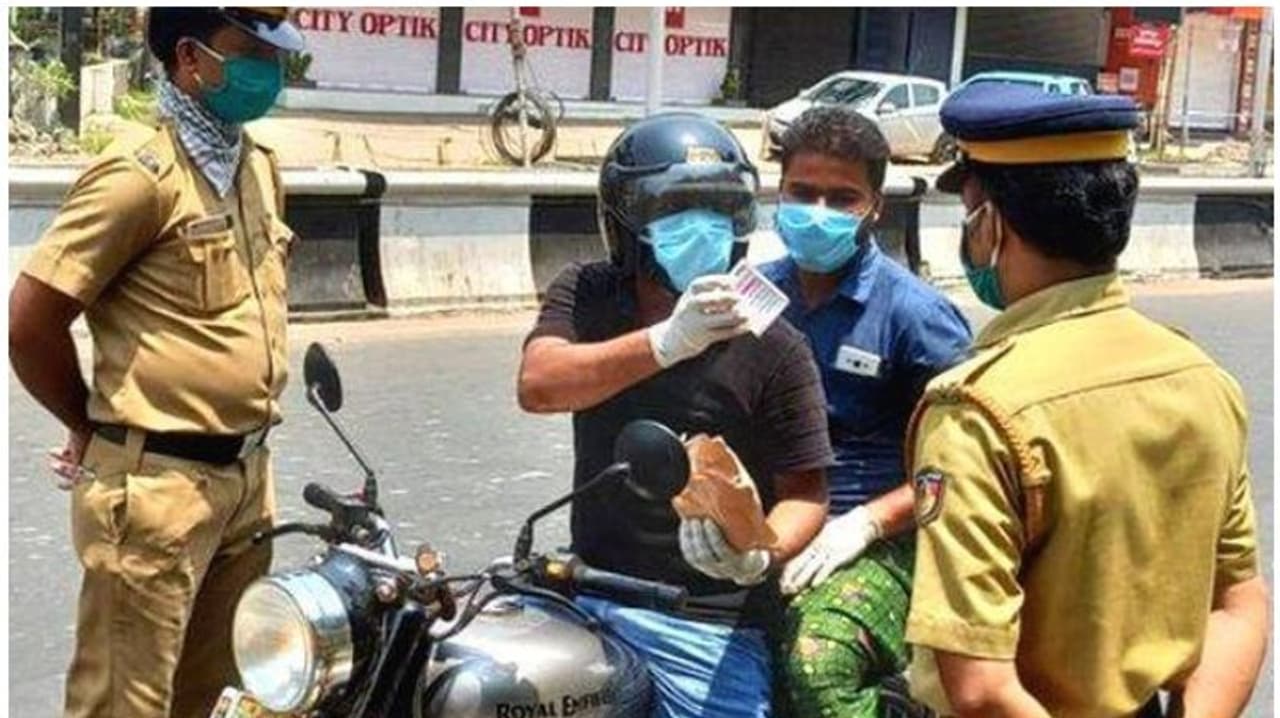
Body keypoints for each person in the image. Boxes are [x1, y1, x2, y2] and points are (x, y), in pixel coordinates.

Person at [903, 82, 1269, 717]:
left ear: (988, 223)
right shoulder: (1201, 379)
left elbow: (983, 691)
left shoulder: (978, 411)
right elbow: (1238, 605)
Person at [8, 8, 303, 718]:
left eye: (276, 52)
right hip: (156, 493)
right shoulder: (137, 175)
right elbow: (30, 322)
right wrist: (91, 425)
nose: (269, 69)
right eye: (250, 52)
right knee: (124, 705)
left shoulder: (257, 168)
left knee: (218, 699)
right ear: (191, 60)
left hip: (245, 483)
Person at [517, 112, 833, 717]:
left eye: (720, 210)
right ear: (625, 222)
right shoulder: (588, 293)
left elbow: (808, 494)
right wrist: (667, 341)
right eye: (675, 209)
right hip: (584, 592)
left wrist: (759, 555)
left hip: (705, 621)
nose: (702, 228)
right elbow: (540, 385)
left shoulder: (776, 344)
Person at [757, 106, 972, 716]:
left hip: (878, 538)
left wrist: (869, 523)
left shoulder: (916, 317)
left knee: (816, 664)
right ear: (779, 190)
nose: (818, 211)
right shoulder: (755, 296)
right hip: (770, 527)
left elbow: (962, 467)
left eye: (842, 197)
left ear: (875, 205)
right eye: (803, 192)